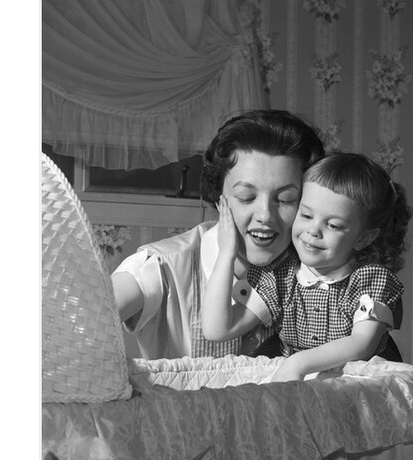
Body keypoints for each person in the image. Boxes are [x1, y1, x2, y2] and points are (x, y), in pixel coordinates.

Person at [111, 109, 324, 359]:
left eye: (285, 199)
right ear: (218, 197)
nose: (265, 215)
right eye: (246, 197)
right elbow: (84, 317)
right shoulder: (162, 267)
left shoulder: (320, 271)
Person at [201, 152, 413, 381]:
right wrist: (227, 253)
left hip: (354, 386)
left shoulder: (370, 280)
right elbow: (217, 330)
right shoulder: (281, 275)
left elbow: (361, 343)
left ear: (364, 238)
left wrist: (298, 363)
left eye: (333, 225)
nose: (313, 231)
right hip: (295, 382)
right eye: (306, 215)